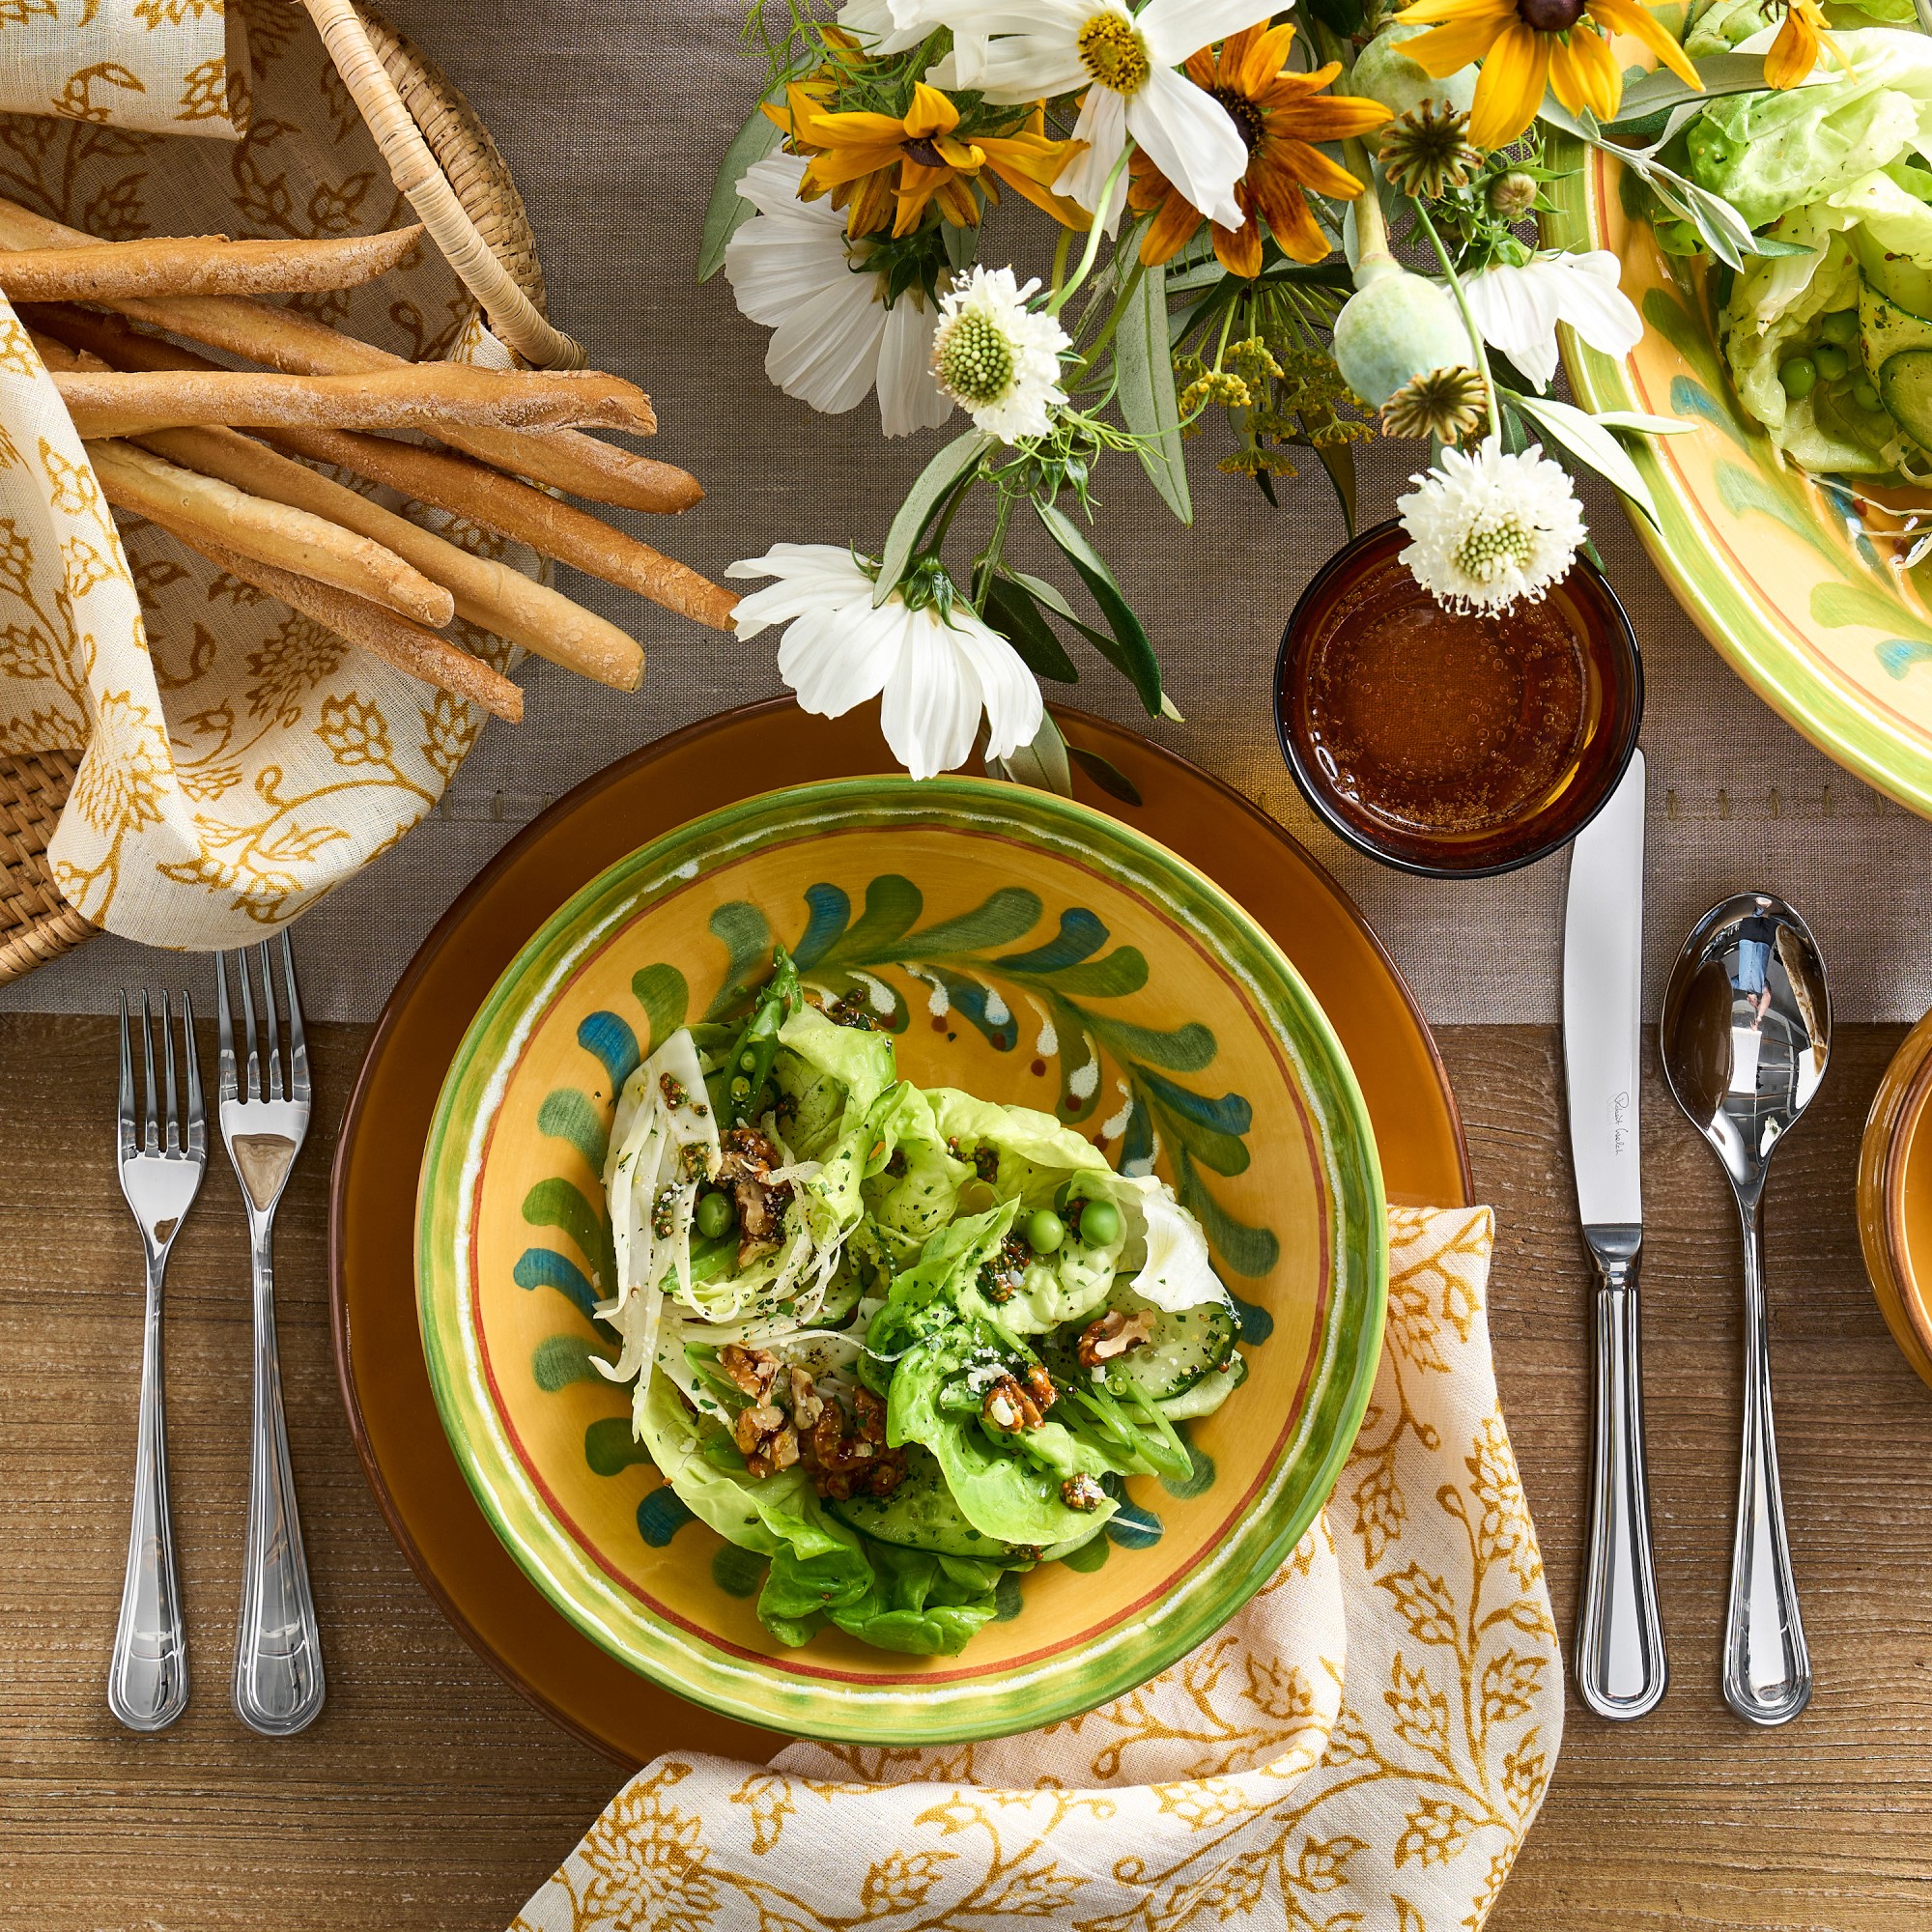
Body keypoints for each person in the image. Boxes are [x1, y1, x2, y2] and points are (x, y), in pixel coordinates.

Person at [1731, 897, 1776, 1030]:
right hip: (1765, 941)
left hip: (1747, 939)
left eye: (1750, 1003)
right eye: (1755, 1004)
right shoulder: (1762, 987)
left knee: (1753, 911)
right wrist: (1758, 1018)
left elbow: (1723, 981)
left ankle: (1759, 909)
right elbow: (1767, 996)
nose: (1751, 1003)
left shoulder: (1740, 984)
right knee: (1774, 911)